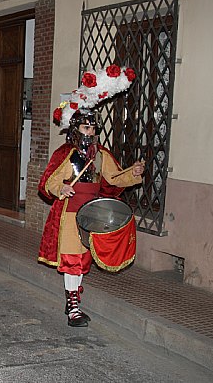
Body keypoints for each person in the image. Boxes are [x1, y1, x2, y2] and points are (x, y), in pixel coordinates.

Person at [38, 64, 143, 327]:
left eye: (93, 129)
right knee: (73, 259)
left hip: (94, 212)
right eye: (86, 128)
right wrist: (59, 188)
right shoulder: (65, 154)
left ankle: (72, 297)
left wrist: (133, 172)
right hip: (71, 212)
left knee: (84, 260)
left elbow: (114, 179)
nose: (91, 132)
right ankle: (73, 305)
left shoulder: (101, 155)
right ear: (76, 130)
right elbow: (48, 182)